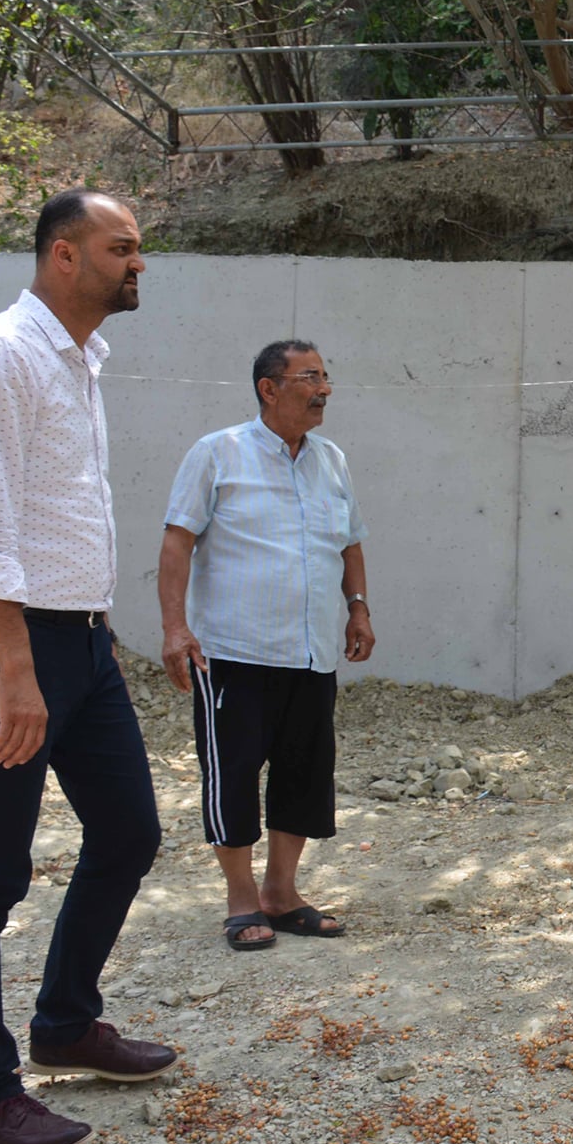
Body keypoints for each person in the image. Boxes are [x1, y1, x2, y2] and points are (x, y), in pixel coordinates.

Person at [0, 188, 174, 1144]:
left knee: (127, 833)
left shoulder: (78, 360)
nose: (137, 263)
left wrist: (89, 638)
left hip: (76, 643)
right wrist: (16, 670)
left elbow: (51, 514)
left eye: (138, 249)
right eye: (122, 248)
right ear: (63, 256)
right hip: (8, 649)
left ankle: (65, 1023)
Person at [159, 340, 373, 952]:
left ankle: (282, 892)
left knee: (304, 775)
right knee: (232, 775)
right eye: (310, 377)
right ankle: (240, 899)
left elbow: (351, 541)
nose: (325, 389)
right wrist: (176, 629)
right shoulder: (216, 453)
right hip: (232, 652)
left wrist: (357, 608)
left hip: (311, 651)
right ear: (268, 388)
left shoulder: (331, 460)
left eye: (327, 377)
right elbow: (177, 543)